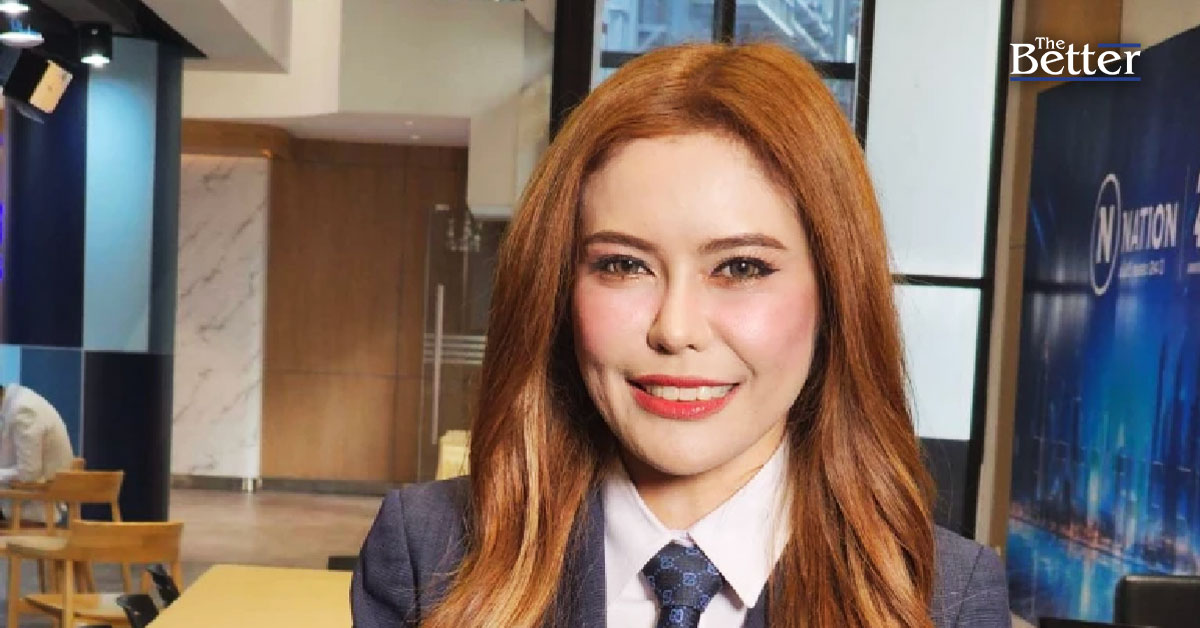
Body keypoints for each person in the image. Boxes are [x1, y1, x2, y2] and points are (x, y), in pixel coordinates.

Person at [352, 42, 1010, 628]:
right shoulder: (430, 552)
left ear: (835, 295)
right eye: (624, 265)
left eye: (741, 268)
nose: (675, 329)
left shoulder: (941, 600)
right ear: (558, 289)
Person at [0, 383, 75, 522]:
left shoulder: (23, 410)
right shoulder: (17, 400)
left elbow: (29, 473)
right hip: (27, 496)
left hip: (37, 504)